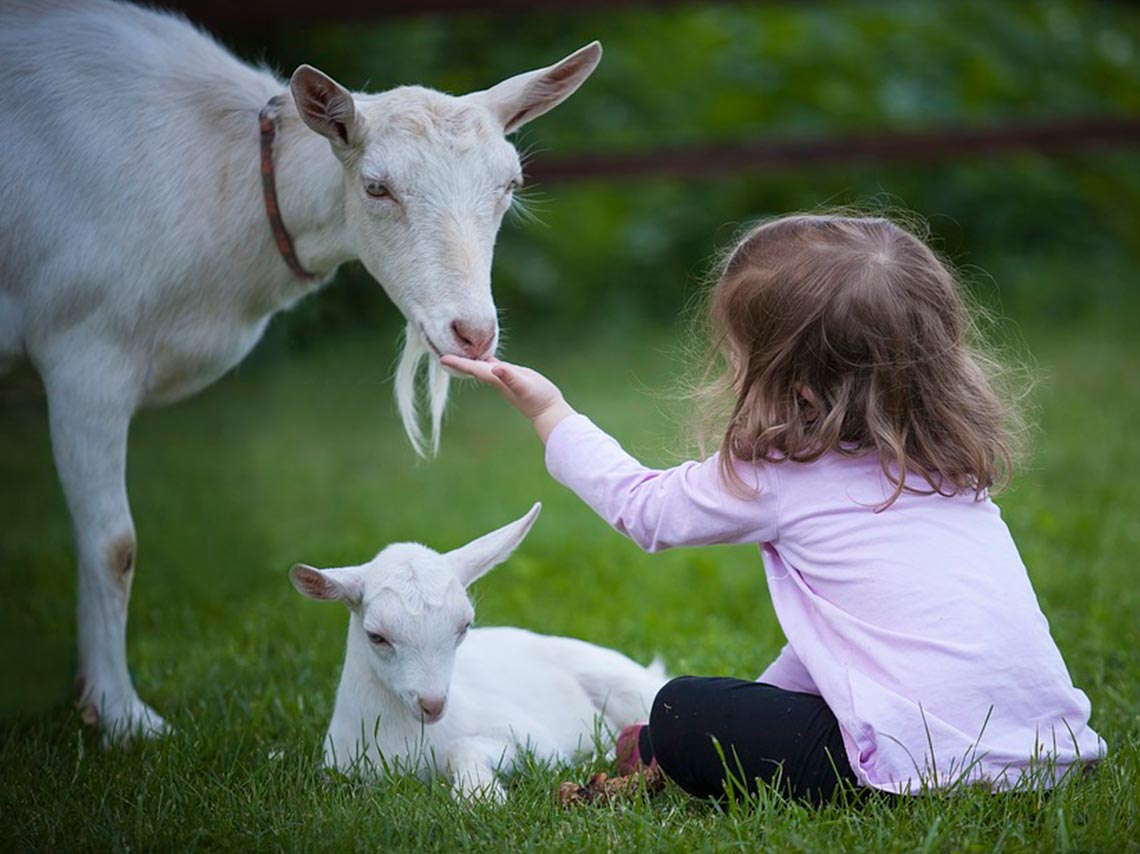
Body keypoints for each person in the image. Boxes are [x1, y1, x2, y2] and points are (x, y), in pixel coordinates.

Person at [442, 214, 1105, 802]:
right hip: (1046, 751)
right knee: (713, 711)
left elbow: (643, 508)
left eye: (738, 357)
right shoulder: (951, 473)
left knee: (680, 711)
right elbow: (845, 646)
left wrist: (549, 411)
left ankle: (669, 746)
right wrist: (759, 702)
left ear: (800, 388)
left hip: (923, 767)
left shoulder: (783, 475)